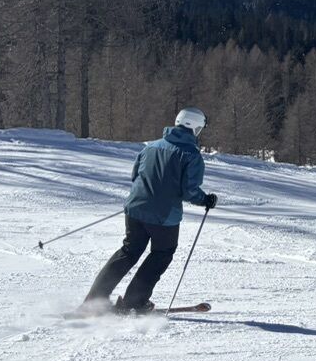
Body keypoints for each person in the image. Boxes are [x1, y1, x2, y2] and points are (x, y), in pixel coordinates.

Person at [82, 107, 216, 315]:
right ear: (195, 127)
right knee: (161, 253)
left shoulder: (151, 146)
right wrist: (206, 199)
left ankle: (94, 300)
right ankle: (133, 302)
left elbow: (135, 175)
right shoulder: (191, 154)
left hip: (135, 209)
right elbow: (189, 191)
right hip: (163, 217)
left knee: (128, 252)